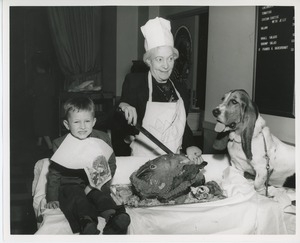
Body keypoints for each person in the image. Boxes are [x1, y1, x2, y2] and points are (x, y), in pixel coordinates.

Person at [117, 17, 202, 162]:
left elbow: (181, 124)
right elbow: (119, 118)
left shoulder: (180, 88)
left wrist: (190, 145)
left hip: (174, 159)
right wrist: (123, 106)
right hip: (142, 161)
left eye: (170, 59)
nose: (166, 66)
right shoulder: (135, 82)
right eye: (159, 59)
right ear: (149, 61)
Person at [45, 97, 130, 234]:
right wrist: (52, 198)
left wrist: (101, 183)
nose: (83, 126)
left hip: (95, 182)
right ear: (67, 124)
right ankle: (87, 223)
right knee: (76, 198)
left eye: (87, 121)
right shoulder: (60, 144)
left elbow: (111, 163)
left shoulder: (102, 138)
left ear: (94, 122)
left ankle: (114, 218)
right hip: (70, 184)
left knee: (101, 197)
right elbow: (54, 173)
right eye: (77, 122)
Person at [31, 55, 56, 150]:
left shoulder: (38, 79)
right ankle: (40, 141)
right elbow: (52, 92)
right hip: (48, 103)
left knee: (41, 122)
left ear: (39, 68)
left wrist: (33, 93)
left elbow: (35, 91)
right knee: (45, 120)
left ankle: (49, 144)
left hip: (40, 103)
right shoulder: (50, 78)